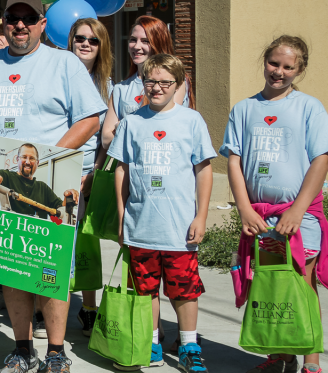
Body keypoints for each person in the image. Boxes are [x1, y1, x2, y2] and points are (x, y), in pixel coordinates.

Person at [0, 0, 106, 371]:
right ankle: (21, 348)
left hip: (48, 182)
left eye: (28, 20)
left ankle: (56, 351)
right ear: (3, 24)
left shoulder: (64, 63)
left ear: (41, 24)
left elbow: (91, 118)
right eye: (12, 19)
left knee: (48, 271)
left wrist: (50, 157)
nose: (19, 26)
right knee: (10, 267)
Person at [222, 36, 326, 373]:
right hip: (261, 219)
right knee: (269, 285)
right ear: (264, 61)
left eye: (287, 67)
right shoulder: (244, 108)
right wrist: (245, 209)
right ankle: (281, 356)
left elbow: (321, 160)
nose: (278, 72)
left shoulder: (309, 107)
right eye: (273, 63)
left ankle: (311, 360)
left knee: (301, 285)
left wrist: (296, 211)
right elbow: (234, 162)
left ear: (299, 70)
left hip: (298, 216)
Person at [108, 54, 214, 373]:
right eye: (150, 81)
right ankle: (151, 342)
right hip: (141, 226)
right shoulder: (131, 122)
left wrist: (201, 216)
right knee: (145, 290)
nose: (156, 87)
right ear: (142, 82)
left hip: (179, 228)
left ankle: (189, 345)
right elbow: (121, 170)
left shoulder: (191, 121)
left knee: (184, 291)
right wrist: (121, 213)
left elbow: (204, 170)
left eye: (165, 82)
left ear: (178, 84)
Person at [66, 17, 114, 338]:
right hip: (57, 169)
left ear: (101, 47)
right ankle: (46, 310)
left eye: (93, 40)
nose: (85, 43)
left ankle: (88, 307)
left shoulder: (109, 86)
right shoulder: (56, 76)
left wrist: (95, 174)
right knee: (54, 240)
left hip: (88, 173)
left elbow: (107, 138)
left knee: (86, 242)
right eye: (80, 38)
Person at [100, 15, 194, 148]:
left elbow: (163, 126)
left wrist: (122, 126)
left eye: (145, 41)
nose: (137, 46)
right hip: (129, 167)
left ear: (159, 43)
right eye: (133, 40)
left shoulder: (176, 82)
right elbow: (106, 139)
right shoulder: (121, 88)